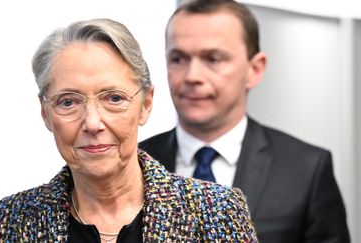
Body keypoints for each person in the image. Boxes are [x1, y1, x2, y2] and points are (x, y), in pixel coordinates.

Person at [0, 18, 258, 242]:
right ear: (46, 113)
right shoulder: (4, 224)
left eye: (114, 98)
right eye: (68, 101)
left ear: (145, 104)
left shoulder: (218, 213)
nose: (93, 123)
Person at [139, 0, 351, 242]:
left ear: (255, 69)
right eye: (178, 59)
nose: (192, 76)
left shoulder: (305, 169)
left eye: (213, 59)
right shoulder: (135, 163)